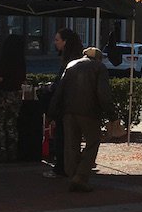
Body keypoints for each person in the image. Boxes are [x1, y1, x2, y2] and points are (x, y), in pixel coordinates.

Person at [47, 46, 113, 193]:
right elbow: (103, 94)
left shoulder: (70, 65)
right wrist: (111, 114)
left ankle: (73, 175)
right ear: (98, 58)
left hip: (68, 112)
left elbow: (59, 91)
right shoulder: (99, 67)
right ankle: (81, 176)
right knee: (92, 142)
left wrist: (52, 112)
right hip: (89, 112)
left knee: (71, 145)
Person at [46, 27, 82, 178]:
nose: (55, 43)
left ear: (65, 42)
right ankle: (69, 166)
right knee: (71, 138)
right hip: (75, 106)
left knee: (63, 138)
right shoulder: (77, 59)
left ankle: (62, 168)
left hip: (66, 107)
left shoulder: (69, 63)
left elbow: (62, 85)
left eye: (57, 40)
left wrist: (51, 88)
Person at [0, 34, 27, 163]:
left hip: (3, 94)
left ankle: (2, 153)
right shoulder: (21, 60)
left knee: (0, 125)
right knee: (12, 125)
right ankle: (13, 153)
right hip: (16, 94)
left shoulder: (3, 60)